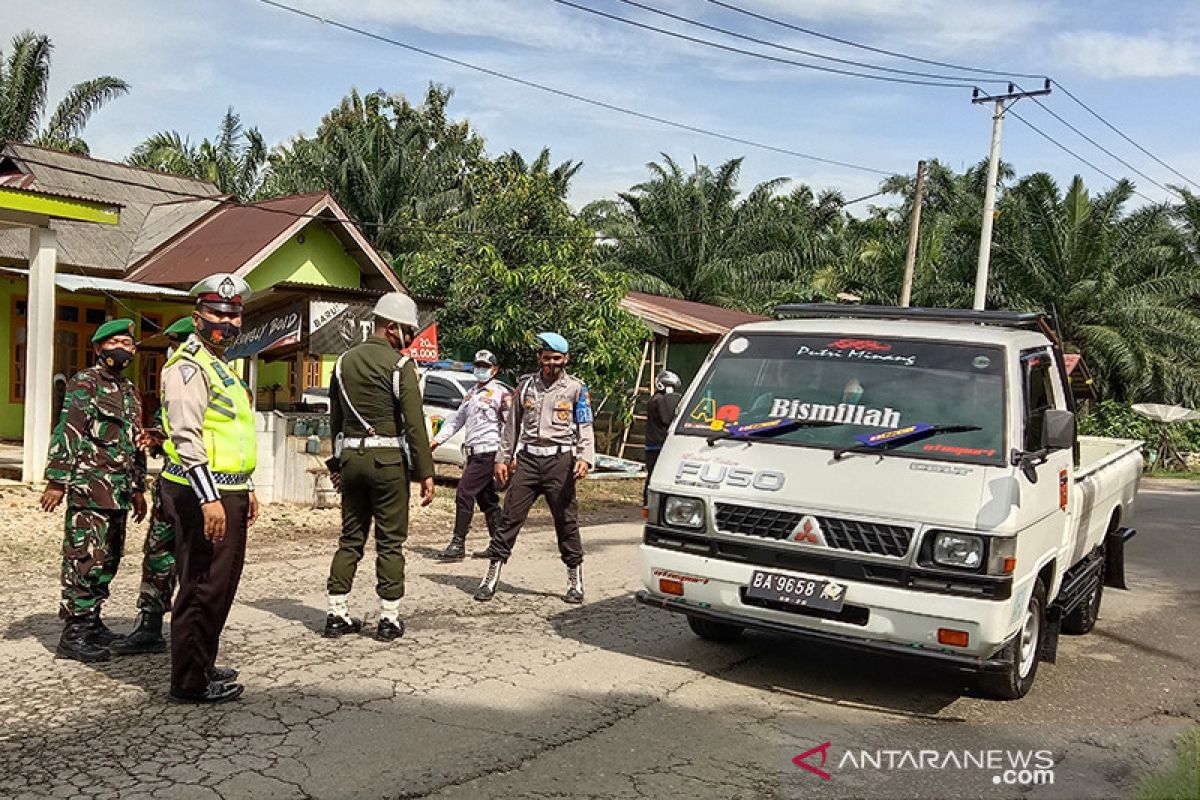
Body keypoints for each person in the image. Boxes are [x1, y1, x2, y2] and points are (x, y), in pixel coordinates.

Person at [158, 274, 258, 704]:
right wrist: (210, 497)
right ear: (197, 316)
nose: (226, 321)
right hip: (202, 492)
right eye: (217, 313)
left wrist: (246, 486)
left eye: (233, 314)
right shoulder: (188, 366)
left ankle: (202, 660)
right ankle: (189, 682)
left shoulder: (222, 368)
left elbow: (232, 435)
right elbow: (187, 438)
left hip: (226, 490)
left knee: (220, 583)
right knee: (201, 584)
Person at [324, 292, 435, 642]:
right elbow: (415, 424)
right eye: (407, 331)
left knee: (350, 538)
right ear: (391, 328)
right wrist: (425, 472)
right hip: (388, 464)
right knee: (390, 542)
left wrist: (337, 464)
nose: (410, 339)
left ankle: (336, 613)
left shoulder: (342, 363)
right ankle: (388, 619)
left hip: (352, 461)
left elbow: (336, 420)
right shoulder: (401, 367)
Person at [40, 318, 148, 663]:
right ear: (99, 348)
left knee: (108, 560)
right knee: (84, 557)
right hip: (89, 489)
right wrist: (57, 480)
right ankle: (74, 632)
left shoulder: (130, 392)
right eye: (115, 342)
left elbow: (135, 444)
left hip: (118, 491)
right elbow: (69, 429)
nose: (123, 348)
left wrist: (138, 488)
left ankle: (93, 620)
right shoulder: (85, 382)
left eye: (128, 344)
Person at [475, 332, 594, 604]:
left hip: (559, 461)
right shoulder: (526, 387)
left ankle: (574, 579)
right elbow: (511, 426)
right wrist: (502, 459)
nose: (551, 363)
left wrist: (584, 458)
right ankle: (491, 575)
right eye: (547, 358)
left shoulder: (576, 389)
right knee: (510, 517)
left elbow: (585, 426)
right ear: (539, 358)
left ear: (566, 359)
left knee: (566, 520)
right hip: (528, 459)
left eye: (557, 358)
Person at [109, 316, 194, 657]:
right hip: (170, 483)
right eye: (173, 344)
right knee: (158, 554)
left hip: (202, 488)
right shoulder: (173, 382)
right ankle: (150, 624)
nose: (175, 351)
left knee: (196, 564)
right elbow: (164, 424)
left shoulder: (221, 384)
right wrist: (155, 436)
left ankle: (194, 638)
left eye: (180, 343)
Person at [431, 350, 511, 561]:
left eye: (485, 366)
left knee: (464, 492)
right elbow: (457, 420)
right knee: (487, 499)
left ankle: (458, 544)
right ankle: (499, 543)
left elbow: (508, 427)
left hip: (490, 452)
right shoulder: (471, 393)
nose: (481, 370)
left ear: (495, 370)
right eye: (478, 365)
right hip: (473, 453)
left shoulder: (501, 394)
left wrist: (507, 457)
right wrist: (437, 440)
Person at [643, 370, 682, 504]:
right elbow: (667, 418)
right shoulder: (658, 400)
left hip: (660, 444)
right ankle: (649, 503)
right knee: (654, 476)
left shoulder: (658, 399)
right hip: (656, 445)